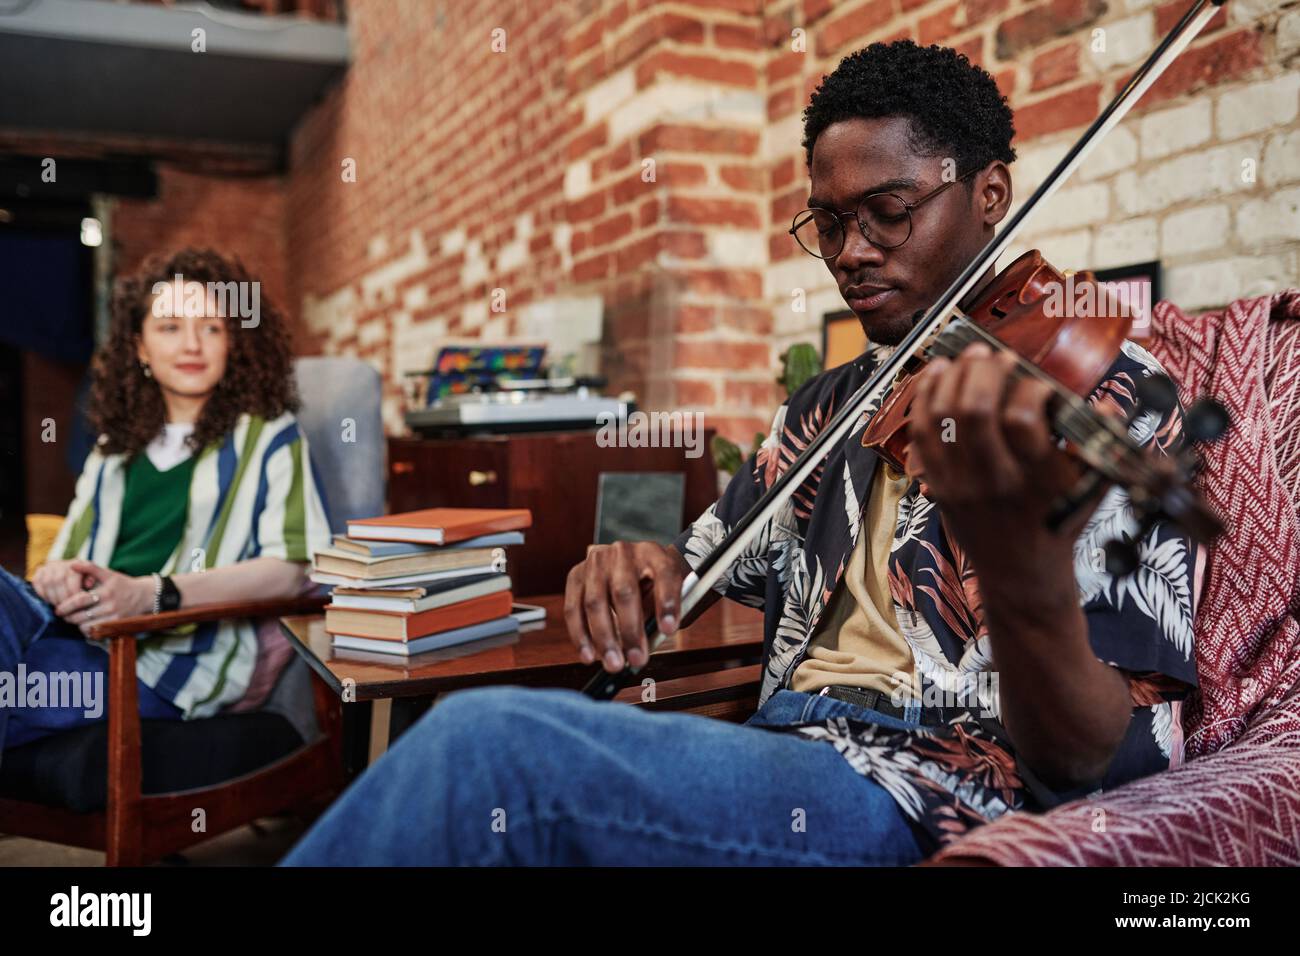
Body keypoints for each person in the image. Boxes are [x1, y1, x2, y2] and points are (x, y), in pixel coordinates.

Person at [282, 41, 1198, 866]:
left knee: (487, 752)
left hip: (927, 787)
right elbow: (708, 557)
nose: (852, 252)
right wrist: (647, 564)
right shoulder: (831, 403)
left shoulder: (1095, 393)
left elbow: (1101, 752)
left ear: (989, 193)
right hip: (782, 746)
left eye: (888, 211)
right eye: (829, 224)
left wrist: (1017, 565)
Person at [0, 248, 332, 757]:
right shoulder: (114, 448)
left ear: (234, 343)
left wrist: (153, 594)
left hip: (164, 665)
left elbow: (290, 572)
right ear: (140, 346)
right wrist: (56, 576)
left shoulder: (268, 437)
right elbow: (60, 559)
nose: (192, 344)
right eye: (170, 327)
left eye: (211, 328)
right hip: (70, 633)